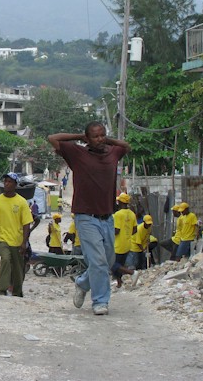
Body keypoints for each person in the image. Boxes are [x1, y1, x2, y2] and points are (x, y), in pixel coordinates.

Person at [48, 121, 130, 316]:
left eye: (102, 135)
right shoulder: (77, 154)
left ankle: (83, 282)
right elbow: (53, 138)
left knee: (106, 261)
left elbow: (126, 146)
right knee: (99, 262)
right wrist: (79, 137)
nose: (100, 139)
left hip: (108, 217)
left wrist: (106, 140)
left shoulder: (113, 153)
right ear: (87, 138)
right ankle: (100, 301)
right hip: (86, 217)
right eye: (95, 136)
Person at [0, 172, 33, 297]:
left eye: (9, 182)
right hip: (2, 239)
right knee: (6, 260)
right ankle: (1, 289)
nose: (6, 184)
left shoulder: (22, 202)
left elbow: (26, 224)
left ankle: (17, 291)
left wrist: (24, 242)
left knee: (18, 267)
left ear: (15, 185)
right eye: (5, 181)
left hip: (17, 240)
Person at [112, 193, 137, 287]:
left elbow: (116, 230)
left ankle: (132, 273)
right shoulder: (132, 214)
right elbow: (134, 230)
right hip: (127, 243)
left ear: (119, 202)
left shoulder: (118, 215)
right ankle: (119, 283)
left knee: (112, 264)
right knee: (119, 265)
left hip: (118, 244)